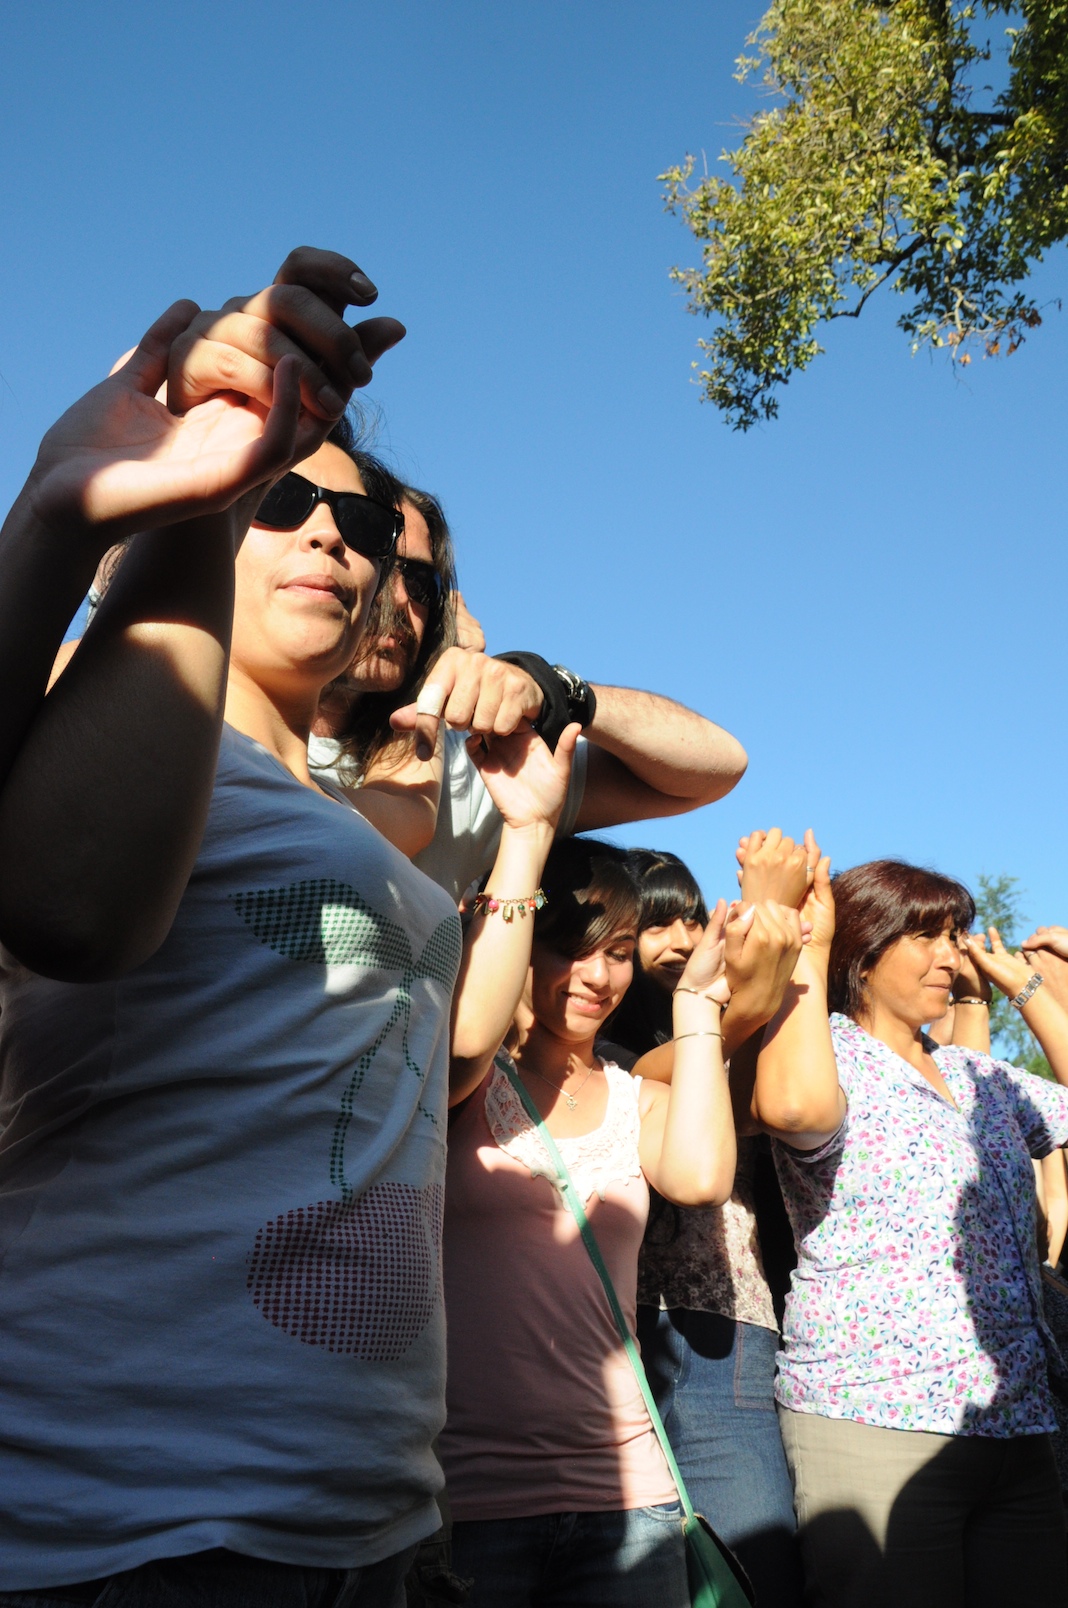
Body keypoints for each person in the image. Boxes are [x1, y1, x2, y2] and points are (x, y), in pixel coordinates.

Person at [0, 249, 461, 1605]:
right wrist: (120, 506)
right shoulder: (100, 705)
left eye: (361, 523)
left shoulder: (355, 813)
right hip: (139, 1515)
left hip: (368, 1513)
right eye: (282, 498)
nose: (331, 535)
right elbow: (74, 912)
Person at [439, 803, 758, 1607]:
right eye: (570, 948)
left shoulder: (635, 1098)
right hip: (467, 1498)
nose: (598, 976)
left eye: (617, 953)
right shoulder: (455, 1079)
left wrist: (698, 1005)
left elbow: (701, 1178)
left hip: (629, 1497)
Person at [751, 855, 1068, 1608]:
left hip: (1014, 1418)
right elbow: (793, 1110)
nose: (950, 955)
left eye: (954, 935)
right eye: (925, 936)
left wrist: (1027, 989)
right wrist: (811, 946)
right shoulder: (825, 1052)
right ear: (863, 951)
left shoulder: (976, 1075)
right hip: (875, 1414)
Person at [308, 513, 750, 900]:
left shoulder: (480, 758)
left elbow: (718, 764)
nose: (402, 598)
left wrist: (554, 690)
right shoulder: (263, 747)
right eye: (379, 560)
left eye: (421, 581)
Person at [605, 846, 805, 1605]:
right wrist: (743, 982)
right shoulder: (594, 1050)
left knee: (755, 1570)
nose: (683, 941)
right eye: (655, 925)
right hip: (608, 1335)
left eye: (693, 919)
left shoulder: (728, 1036)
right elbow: (645, 1075)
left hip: (728, 1331)